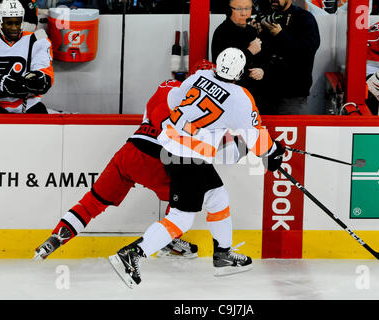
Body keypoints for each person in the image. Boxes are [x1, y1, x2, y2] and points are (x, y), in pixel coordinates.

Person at [108, 47, 285, 288]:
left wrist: (202, 132)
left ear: (217, 65)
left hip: (173, 149)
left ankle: (223, 255)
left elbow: (173, 102)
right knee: (181, 219)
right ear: (240, 72)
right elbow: (254, 136)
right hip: (188, 158)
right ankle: (133, 254)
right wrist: (273, 153)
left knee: (217, 196)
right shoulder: (240, 98)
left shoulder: (197, 77)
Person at [33, 59, 245, 261]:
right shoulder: (210, 103)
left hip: (131, 150)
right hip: (159, 158)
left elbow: (154, 116)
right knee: (186, 194)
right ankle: (167, 240)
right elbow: (211, 146)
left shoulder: (167, 86)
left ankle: (54, 239)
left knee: (93, 201)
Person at [250, 0, 320, 115]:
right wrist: (254, 33)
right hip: (263, 93)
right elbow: (259, 53)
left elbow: (307, 51)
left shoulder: (304, 18)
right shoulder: (265, 17)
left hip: (292, 95)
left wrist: (281, 35)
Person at [0, 0, 53, 114]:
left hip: (29, 104)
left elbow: (45, 77)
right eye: (9, 23)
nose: (14, 28)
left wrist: (39, 80)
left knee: (40, 113)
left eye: (17, 23)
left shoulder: (37, 39)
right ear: (1, 22)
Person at [211, 0, 266, 107]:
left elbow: (264, 58)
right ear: (229, 10)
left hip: (255, 96)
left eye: (247, 8)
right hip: (231, 98)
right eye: (239, 9)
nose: (244, 13)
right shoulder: (222, 32)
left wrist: (262, 70)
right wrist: (250, 51)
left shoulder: (252, 30)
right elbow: (224, 68)